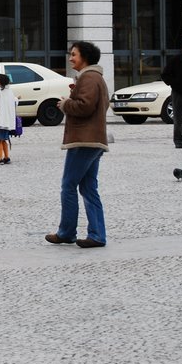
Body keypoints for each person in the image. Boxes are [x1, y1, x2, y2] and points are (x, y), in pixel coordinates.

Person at [46, 41, 109, 249]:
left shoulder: (89, 77)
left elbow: (85, 106)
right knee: (89, 187)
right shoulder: (95, 77)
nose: (71, 58)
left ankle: (67, 232)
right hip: (94, 140)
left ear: (85, 57)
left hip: (84, 140)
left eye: (74, 54)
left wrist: (65, 104)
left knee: (68, 186)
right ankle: (97, 235)